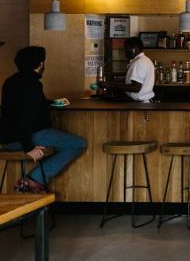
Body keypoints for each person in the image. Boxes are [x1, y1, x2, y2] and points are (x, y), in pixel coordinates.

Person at [0, 46, 87, 193]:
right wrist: (29, 147)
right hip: (27, 136)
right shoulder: (32, 84)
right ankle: (34, 179)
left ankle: (34, 179)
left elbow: (19, 107)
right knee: (78, 144)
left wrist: (48, 102)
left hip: (7, 138)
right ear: (40, 64)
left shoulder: (11, 81)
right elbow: (23, 117)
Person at [101, 37, 155, 102]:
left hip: (138, 103)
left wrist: (111, 85)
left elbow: (135, 88)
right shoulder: (145, 60)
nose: (125, 52)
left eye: (126, 49)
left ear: (133, 49)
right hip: (140, 102)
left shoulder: (139, 63)